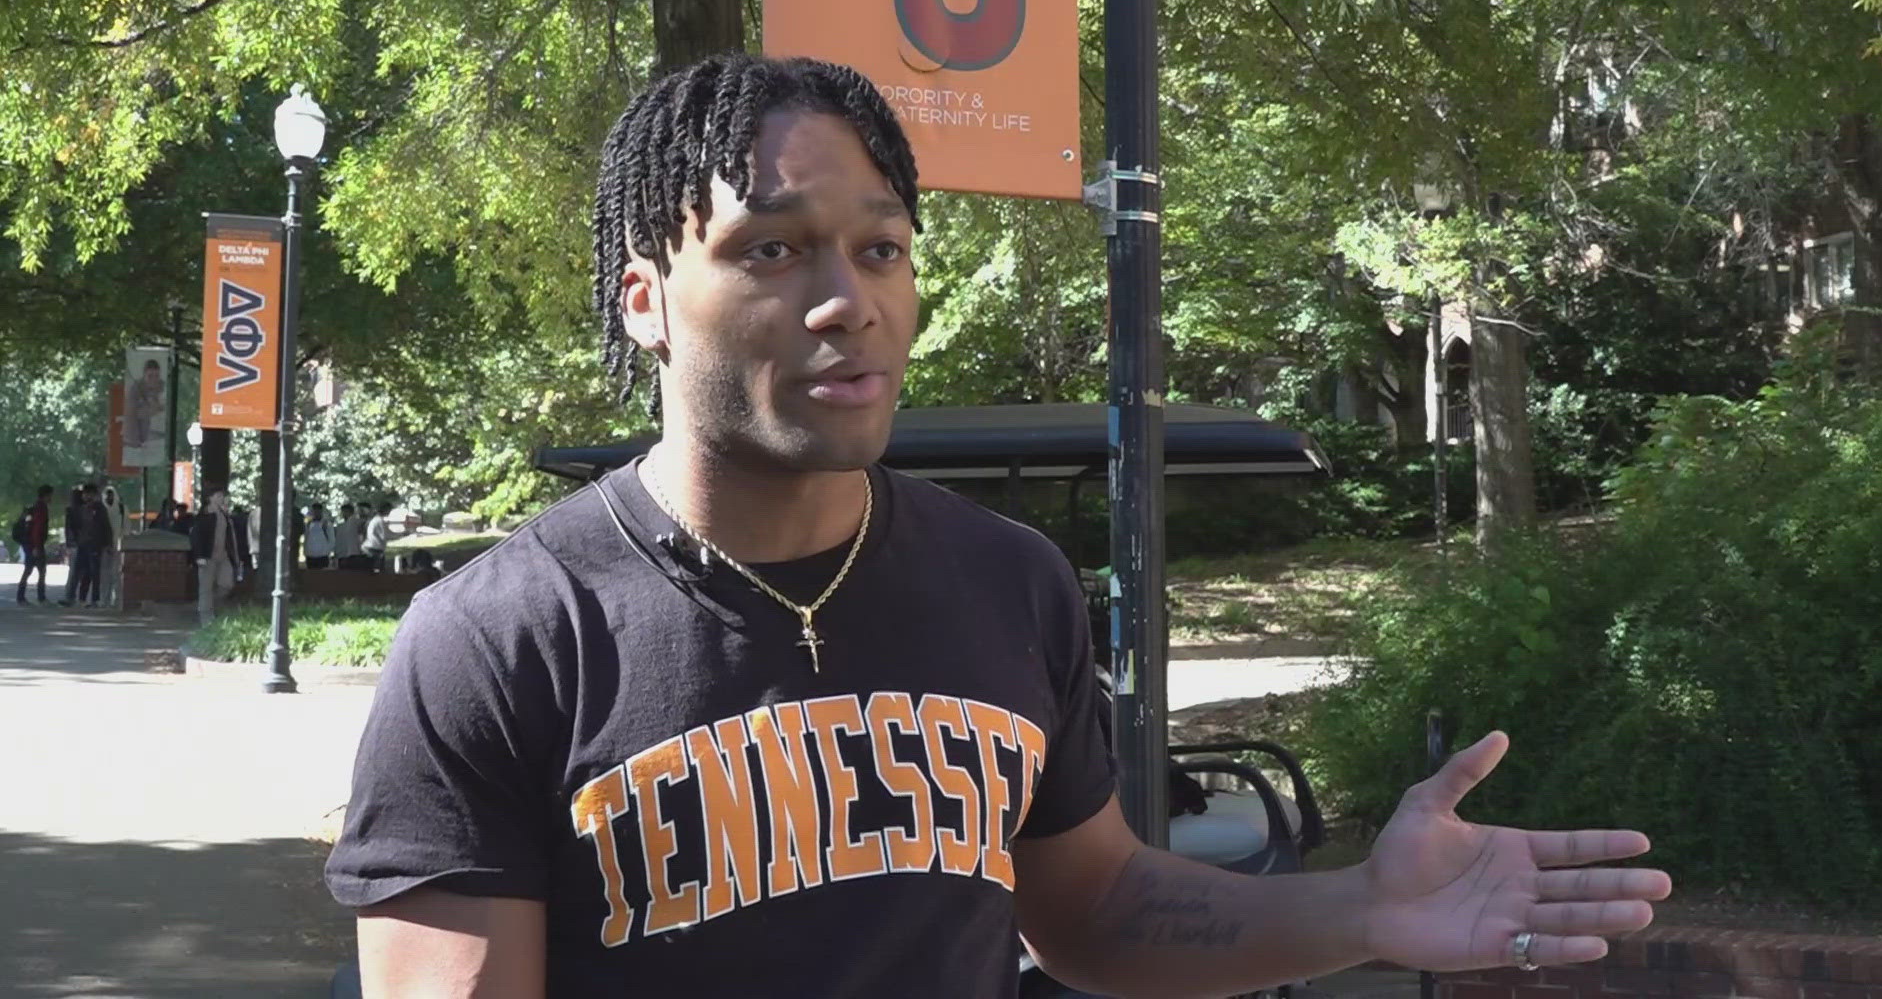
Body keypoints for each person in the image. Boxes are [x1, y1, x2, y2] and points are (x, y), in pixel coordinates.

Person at [325, 54, 1669, 997]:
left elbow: (1092, 913)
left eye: (882, 250)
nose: (847, 299)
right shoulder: (498, 640)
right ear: (644, 300)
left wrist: (1363, 910)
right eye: (774, 250)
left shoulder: (1007, 585)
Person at [190, 490, 242, 625]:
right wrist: (199, 555)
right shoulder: (205, 515)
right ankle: (206, 619)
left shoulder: (224, 515)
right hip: (207, 556)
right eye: (218, 496)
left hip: (223, 556)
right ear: (210, 498)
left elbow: (231, 537)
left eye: (222, 496)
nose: (222, 499)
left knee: (227, 584)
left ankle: (211, 604)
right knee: (205, 588)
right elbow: (196, 536)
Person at [14, 485, 52, 605]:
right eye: (50, 495)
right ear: (46, 495)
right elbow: (37, 528)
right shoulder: (41, 508)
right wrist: (36, 546)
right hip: (34, 544)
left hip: (30, 543)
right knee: (36, 570)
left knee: (32, 570)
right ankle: (39, 597)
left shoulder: (36, 506)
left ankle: (23, 596)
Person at [100, 486, 126, 609]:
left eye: (111, 494)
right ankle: (104, 600)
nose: (108, 497)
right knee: (104, 574)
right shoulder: (101, 509)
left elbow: (126, 527)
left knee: (117, 574)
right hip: (104, 546)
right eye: (107, 495)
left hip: (118, 546)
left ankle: (118, 600)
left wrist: (123, 543)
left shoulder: (122, 509)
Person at [336, 501, 367, 572]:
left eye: (346, 511)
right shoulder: (341, 526)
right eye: (343, 511)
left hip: (354, 554)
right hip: (343, 554)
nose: (344, 513)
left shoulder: (356, 522)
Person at [360, 500, 392, 571]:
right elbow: (384, 536)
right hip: (374, 550)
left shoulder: (375, 520)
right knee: (377, 575)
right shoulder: (379, 520)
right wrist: (401, 535)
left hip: (370, 549)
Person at [303, 503, 335, 569]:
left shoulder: (326, 524)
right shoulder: (308, 524)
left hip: (323, 556)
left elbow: (332, 539)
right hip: (310, 555)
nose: (316, 512)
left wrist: (328, 551)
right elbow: (306, 538)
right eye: (314, 510)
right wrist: (306, 551)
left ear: (321, 511)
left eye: (318, 510)